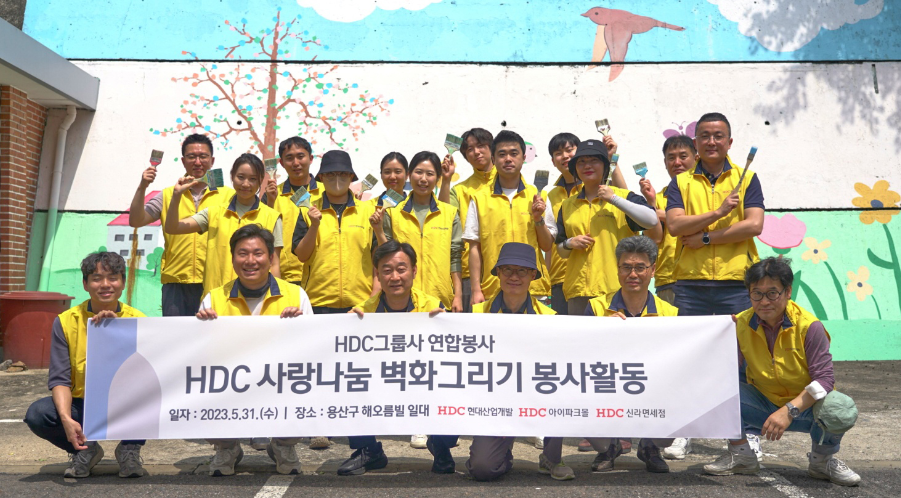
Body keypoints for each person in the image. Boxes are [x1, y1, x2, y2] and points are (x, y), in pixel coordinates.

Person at [703, 257, 861, 487]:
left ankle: (821, 461)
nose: (764, 301)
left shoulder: (809, 326)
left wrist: (789, 411)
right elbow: (723, 371)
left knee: (840, 407)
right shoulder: (740, 324)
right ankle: (742, 455)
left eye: (772, 293)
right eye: (757, 294)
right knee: (716, 390)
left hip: (807, 410)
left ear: (788, 292)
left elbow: (825, 380)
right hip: (762, 404)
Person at [196, 224, 313, 476]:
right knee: (202, 389)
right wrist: (201, 328)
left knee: (305, 387)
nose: (250, 261)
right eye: (243, 253)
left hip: (278, 381)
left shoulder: (296, 295)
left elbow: (313, 349)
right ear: (232, 258)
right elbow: (201, 356)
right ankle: (227, 447)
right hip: (232, 382)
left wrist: (299, 326)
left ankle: (283, 445)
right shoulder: (214, 298)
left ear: (271, 258)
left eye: (258, 253)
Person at [25, 252, 147, 478]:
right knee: (39, 414)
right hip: (83, 403)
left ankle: (129, 449)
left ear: (123, 283)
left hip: (123, 401)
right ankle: (85, 449)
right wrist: (66, 419)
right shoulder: (66, 321)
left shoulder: (139, 320)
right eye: (96, 278)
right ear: (85, 284)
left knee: (151, 397)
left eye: (113, 278)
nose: (105, 285)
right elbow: (60, 379)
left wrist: (118, 332)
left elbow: (146, 375)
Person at [567, 236, 678, 475]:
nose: (632, 274)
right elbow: (579, 354)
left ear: (653, 270)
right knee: (576, 397)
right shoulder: (596, 307)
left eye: (640, 267)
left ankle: (650, 447)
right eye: (626, 267)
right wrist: (601, 331)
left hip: (651, 388)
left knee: (680, 403)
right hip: (607, 386)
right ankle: (609, 448)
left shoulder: (670, 313)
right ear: (617, 269)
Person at [339, 241, 447, 475]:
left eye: (401, 269)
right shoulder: (362, 312)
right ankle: (368, 450)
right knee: (350, 380)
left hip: (421, 379)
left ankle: (441, 445)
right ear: (377, 275)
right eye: (387, 270)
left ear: (414, 271)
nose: (395, 277)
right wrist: (345, 327)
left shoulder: (433, 306)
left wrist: (446, 324)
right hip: (382, 380)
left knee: (454, 384)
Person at [467, 242, 555, 481]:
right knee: (482, 469)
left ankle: (553, 458)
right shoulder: (476, 315)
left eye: (522, 271)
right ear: (498, 272)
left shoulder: (551, 318)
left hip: (536, 399)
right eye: (507, 270)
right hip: (494, 404)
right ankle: (501, 453)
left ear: (533, 275)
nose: (514, 277)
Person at [665, 112, 764, 316]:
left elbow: (754, 225)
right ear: (696, 143)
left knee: (738, 337)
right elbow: (674, 226)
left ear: (729, 142)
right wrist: (718, 212)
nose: (711, 142)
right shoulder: (680, 182)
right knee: (690, 338)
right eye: (705, 136)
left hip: (737, 283)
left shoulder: (748, 178)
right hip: (690, 284)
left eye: (718, 136)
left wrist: (706, 238)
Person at [128, 134, 234, 316]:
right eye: (192, 157)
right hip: (176, 281)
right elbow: (136, 221)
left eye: (203, 156)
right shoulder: (168, 195)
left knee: (213, 333)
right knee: (176, 333)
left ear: (212, 160)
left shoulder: (229, 196)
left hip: (215, 281)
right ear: (183, 161)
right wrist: (142, 186)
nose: (198, 162)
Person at [555, 140, 660, 315]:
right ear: (575, 169)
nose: (587, 166)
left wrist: (613, 199)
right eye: (581, 162)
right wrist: (570, 243)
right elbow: (561, 251)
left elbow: (651, 220)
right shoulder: (567, 205)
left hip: (616, 290)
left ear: (605, 165)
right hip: (578, 291)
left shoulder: (623, 197)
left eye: (594, 160)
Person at [164, 153, 283, 297]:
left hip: (256, 300)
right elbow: (172, 228)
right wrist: (176, 196)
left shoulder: (272, 217)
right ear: (232, 177)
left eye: (253, 179)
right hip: (217, 300)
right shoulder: (213, 213)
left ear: (260, 181)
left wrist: (276, 299)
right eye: (241, 177)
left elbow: (274, 264)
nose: (246, 184)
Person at [464, 130, 556, 305]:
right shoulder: (479, 198)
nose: (508, 159)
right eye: (502, 154)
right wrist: (476, 290)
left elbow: (547, 245)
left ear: (523, 158)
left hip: (534, 290)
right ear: (493, 159)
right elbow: (474, 248)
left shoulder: (538, 196)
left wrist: (538, 219)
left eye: (514, 153)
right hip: (492, 289)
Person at [373, 151, 463, 311]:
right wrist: (378, 230)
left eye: (430, 174)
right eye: (419, 172)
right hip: (403, 302)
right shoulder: (393, 213)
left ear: (438, 178)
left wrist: (458, 296)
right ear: (409, 174)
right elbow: (386, 256)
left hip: (440, 300)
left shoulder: (450, 213)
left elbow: (455, 257)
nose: (423, 179)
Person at [292, 150, 379, 313]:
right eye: (330, 174)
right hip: (317, 303)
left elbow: (380, 259)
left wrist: (373, 297)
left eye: (343, 174)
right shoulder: (307, 211)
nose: (337, 179)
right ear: (321, 177)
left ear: (351, 177)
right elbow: (302, 256)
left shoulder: (368, 212)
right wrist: (314, 226)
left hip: (360, 303)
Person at [438, 128, 496, 311]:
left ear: (492, 148)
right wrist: (446, 180)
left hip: (503, 271)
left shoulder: (509, 184)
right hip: (469, 275)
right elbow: (445, 216)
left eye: (481, 146)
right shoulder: (460, 190)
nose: (476, 152)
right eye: (470, 149)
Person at [263, 136, 322, 286]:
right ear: (281, 163)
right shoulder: (272, 195)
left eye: (300, 156)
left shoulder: (326, 192)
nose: (296, 163)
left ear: (311, 158)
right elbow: (263, 233)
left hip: (321, 278)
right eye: (289, 158)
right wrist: (270, 202)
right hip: (285, 278)